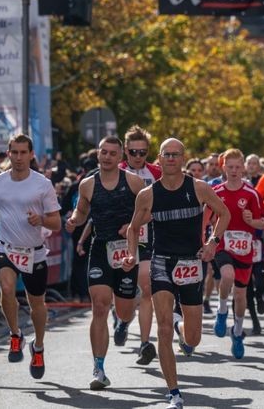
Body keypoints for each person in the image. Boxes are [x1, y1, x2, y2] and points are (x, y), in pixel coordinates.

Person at [124, 137, 231, 409]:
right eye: (166, 155)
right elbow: (134, 228)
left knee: (193, 337)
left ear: (183, 158)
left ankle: (180, 326)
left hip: (191, 263)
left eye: (176, 155)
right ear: (159, 159)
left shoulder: (199, 188)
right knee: (161, 330)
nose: (171, 159)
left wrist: (212, 242)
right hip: (161, 262)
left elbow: (224, 214)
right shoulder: (148, 194)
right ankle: (174, 392)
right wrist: (130, 254)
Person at [64, 136, 146, 390]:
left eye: (113, 153)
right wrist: (74, 220)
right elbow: (82, 211)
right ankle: (99, 368)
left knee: (123, 311)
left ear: (120, 156)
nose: (107, 157)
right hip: (101, 249)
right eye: (104, 152)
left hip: (127, 251)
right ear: (98, 154)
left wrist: (132, 225)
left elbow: (149, 211)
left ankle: (126, 314)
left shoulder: (133, 181)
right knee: (99, 306)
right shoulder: (87, 185)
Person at [0, 134, 61, 378]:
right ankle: (15, 334)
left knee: (37, 304)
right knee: (6, 288)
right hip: (6, 247)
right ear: (8, 154)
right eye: (14, 153)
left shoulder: (42, 184)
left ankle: (38, 346)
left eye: (22, 153)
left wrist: (41, 220)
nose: (18, 158)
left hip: (34, 252)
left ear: (31, 154)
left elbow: (56, 223)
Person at [208, 148, 264, 359]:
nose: (234, 171)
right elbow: (206, 218)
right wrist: (205, 242)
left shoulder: (251, 193)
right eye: (230, 167)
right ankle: (222, 310)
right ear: (223, 168)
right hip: (222, 243)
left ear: (243, 168)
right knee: (227, 276)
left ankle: (237, 332)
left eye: (237, 167)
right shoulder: (216, 192)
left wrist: (253, 222)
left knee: (241, 295)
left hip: (245, 249)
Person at [119, 125, 161, 365]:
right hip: (118, 239)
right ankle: (123, 320)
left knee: (147, 287)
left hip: (147, 235)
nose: (137, 157)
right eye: (133, 152)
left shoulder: (155, 172)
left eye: (142, 153)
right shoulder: (116, 170)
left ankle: (145, 343)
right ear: (125, 150)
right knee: (122, 294)